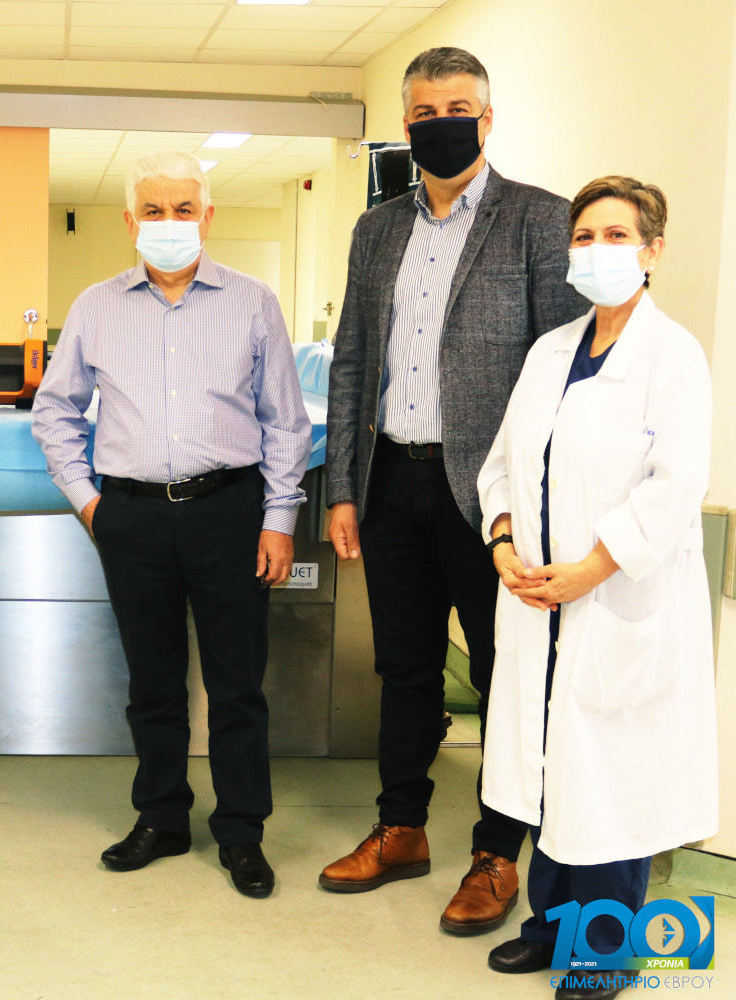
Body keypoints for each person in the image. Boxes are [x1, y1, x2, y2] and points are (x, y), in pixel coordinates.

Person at [322, 46, 587, 933]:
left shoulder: (539, 221)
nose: (444, 124)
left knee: (505, 670)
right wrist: (343, 488)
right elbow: (352, 359)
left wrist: (541, 502)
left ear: (487, 117)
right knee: (402, 666)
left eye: (460, 108)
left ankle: (496, 853)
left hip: (492, 495)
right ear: (407, 124)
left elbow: (563, 371)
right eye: (427, 112)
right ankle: (400, 829)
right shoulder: (376, 230)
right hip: (391, 479)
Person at [31, 150, 311, 899]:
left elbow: (286, 422)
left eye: (183, 209)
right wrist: (89, 502)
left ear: (207, 217)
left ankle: (242, 830)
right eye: (153, 210)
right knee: (152, 684)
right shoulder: (97, 306)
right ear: (130, 222)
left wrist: (279, 518)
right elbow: (54, 412)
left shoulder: (252, 303)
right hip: (132, 517)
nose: (168, 222)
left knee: (236, 686)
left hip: (230, 512)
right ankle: (162, 816)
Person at [478, 177, 716, 1000]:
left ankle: (605, 950)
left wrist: (590, 569)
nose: (596, 250)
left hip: (615, 604)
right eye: (584, 236)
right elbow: (503, 465)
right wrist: (503, 543)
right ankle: (548, 927)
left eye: (616, 235)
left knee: (612, 780)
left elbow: (673, 487)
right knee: (550, 770)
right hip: (538, 602)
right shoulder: (550, 352)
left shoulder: (674, 357)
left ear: (653, 251)